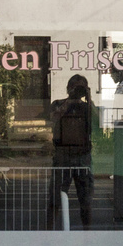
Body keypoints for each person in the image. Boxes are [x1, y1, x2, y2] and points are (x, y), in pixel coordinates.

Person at [49, 74, 95, 229]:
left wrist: (89, 100)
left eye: (81, 88)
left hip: (83, 156)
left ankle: (87, 236)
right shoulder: (58, 104)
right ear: (68, 88)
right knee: (55, 199)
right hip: (63, 156)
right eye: (75, 87)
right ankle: (48, 236)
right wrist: (68, 104)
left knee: (86, 201)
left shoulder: (87, 107)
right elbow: (53, 122)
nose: (77, 91)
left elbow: (97, 124)